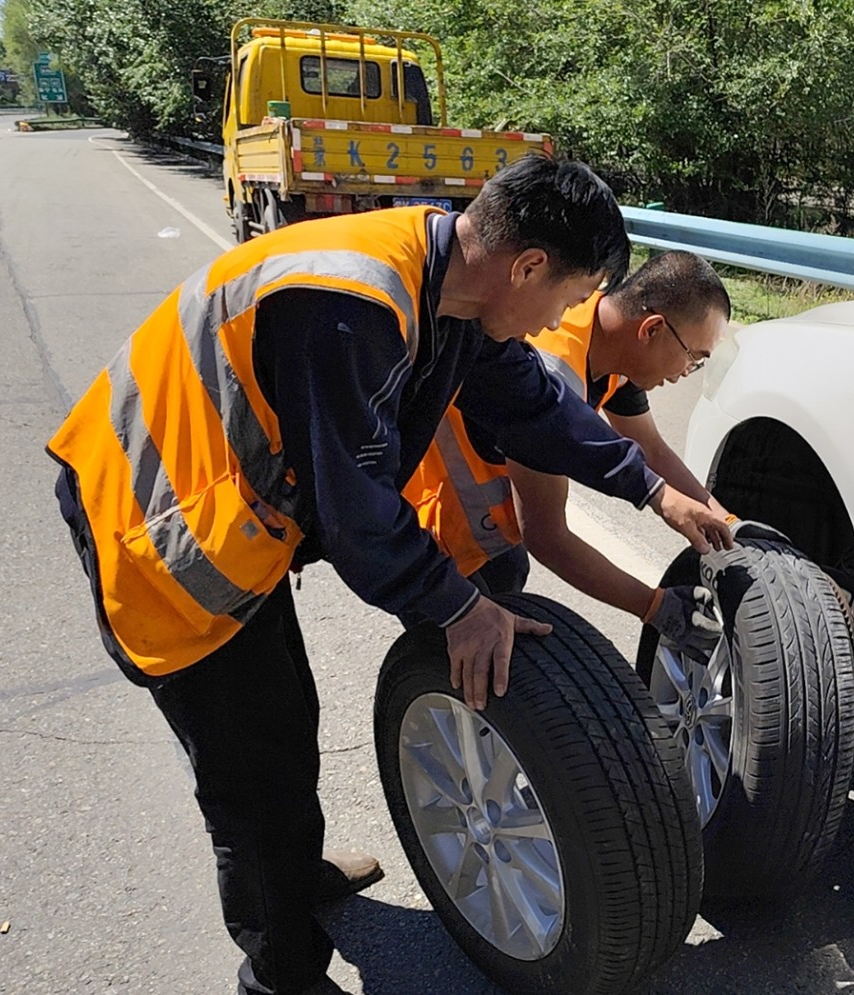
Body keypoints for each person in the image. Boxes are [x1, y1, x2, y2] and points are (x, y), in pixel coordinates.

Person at [45, 155, 732, 995]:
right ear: (526, 267)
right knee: (252, 777)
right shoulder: (347, 308)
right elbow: (358, 514)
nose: (565, 317)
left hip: (239, 518)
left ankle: (293, 873)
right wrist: (459, 607)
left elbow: (538, 410)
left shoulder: (454, 289)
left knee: (288, 722)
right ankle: (282, 972)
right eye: (568, 295)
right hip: (162, 523)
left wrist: (654, 490)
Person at [405, 250, 733, 656]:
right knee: (473, 663)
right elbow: (546, 535)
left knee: (508, 582)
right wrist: (654, 606)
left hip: (488, 538)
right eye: (693, 358)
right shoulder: (551, 372)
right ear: (651, 330)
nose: (685, 372)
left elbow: (651, 449)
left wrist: (730, 523)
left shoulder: (608, 333)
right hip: (425, 538)